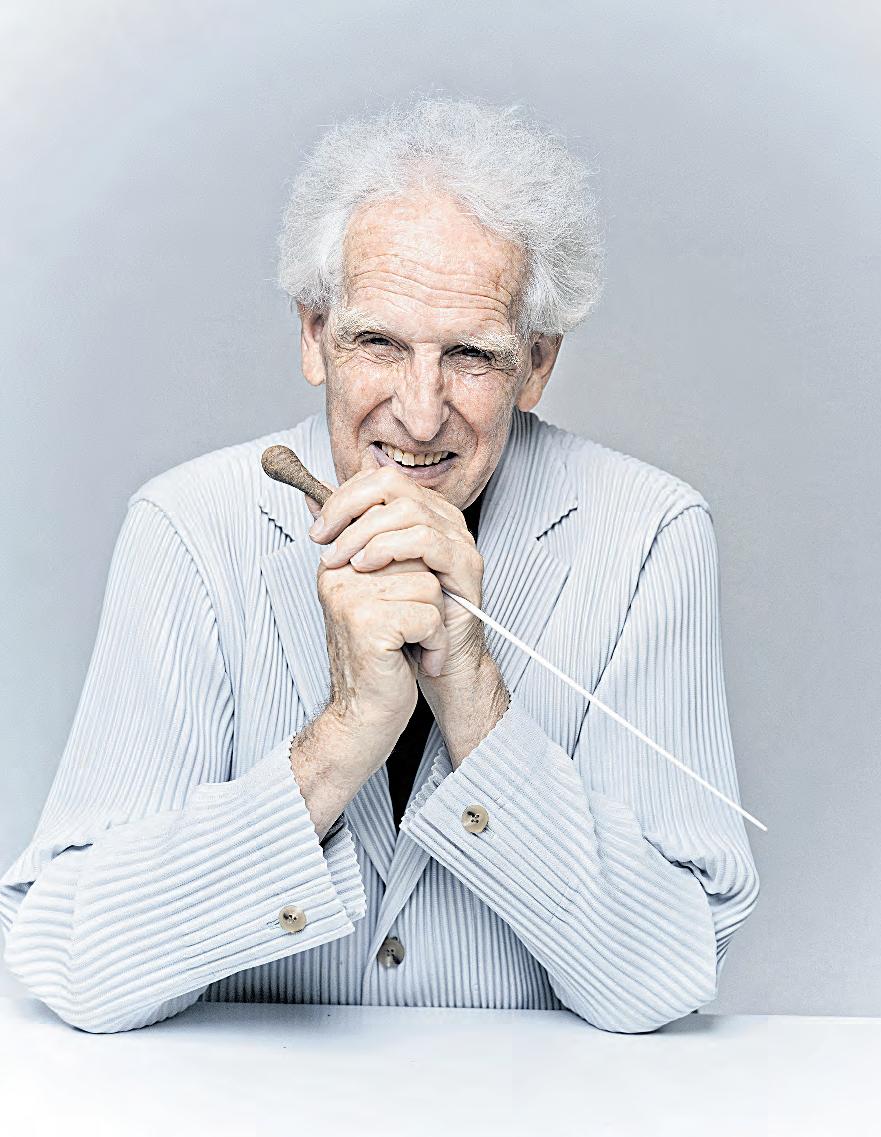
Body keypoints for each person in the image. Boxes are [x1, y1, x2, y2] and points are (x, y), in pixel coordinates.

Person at [0, 96, 759, 1034]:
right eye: (379, 342)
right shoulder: (188, 527)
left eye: (472, 355)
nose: (421, 411)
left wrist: (473, 694)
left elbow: (666, 973)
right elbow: (76, 964)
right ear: (314, 335)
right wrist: (347, 732)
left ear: (537, 365)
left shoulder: (649, 534)